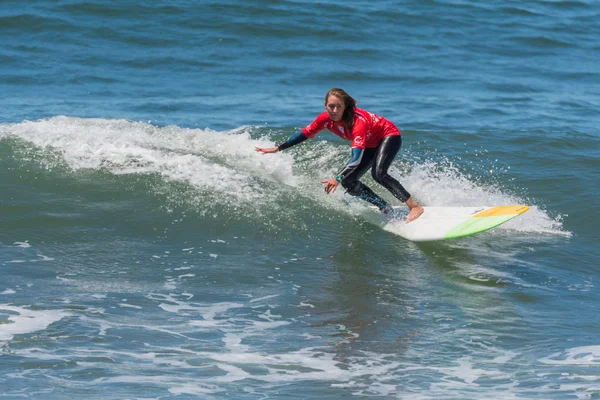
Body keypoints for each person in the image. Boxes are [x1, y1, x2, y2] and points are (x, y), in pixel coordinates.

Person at [255, 88, 424, 223]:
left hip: (388, 136)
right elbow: (304, 134)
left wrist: (337, 177)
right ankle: (385, 207)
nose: (334, 110)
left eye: (338, 107)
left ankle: (414, 206)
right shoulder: (324, 119)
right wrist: (278, 148)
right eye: (331, 106)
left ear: (345, 107)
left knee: (379, 174)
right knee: (349, 182)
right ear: (325, 105)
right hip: (370, 143)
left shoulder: (358, 123)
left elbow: (356, 158)